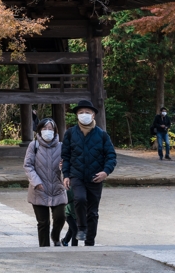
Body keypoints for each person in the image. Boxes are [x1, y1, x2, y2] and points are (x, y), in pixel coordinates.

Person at [61, 99, 117, 246]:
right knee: (79, 199)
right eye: (81, 113)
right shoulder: (70, 133)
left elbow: (111, 156)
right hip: (76, 175)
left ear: (93, 115)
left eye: (87, 112)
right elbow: (65, 156)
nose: (84, 115)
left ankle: (90, 242)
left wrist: (105, 172)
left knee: (93, 212)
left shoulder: (102, 135)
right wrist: (66, 175)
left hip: (95, 177)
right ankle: (81, 228)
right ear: (77, 115)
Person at [23, 118, 66, 247]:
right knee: (43, 222)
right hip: (39, 189)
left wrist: (63, 167)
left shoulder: (62, 146)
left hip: (57, 188)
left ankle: (55, 235)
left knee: (60, 217)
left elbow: (68, 165)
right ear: (39, 130)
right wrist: (36, 181)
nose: (47, 131)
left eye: (50, 129)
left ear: (55, 131)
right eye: (44, 129)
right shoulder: (34, 145)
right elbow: (28, 165)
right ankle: (44, 248)